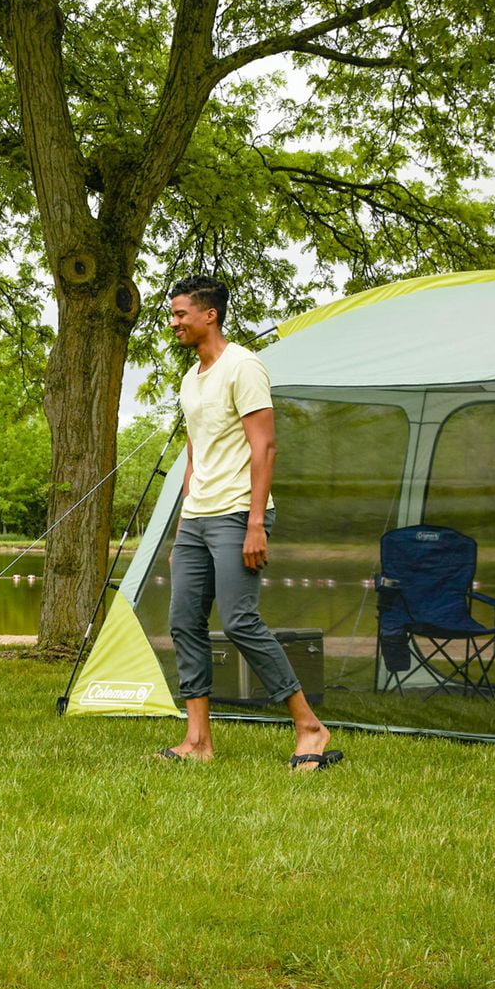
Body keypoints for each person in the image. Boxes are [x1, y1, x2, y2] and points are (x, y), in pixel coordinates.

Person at [161, 275, 339, 771]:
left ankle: (309, 726)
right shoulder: (191, 379)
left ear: (209, 315)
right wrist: (181, 529)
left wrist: (256, 522)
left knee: (239, 621)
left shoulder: (244, 366)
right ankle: (197, 740)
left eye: (180, 314)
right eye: (173, 315)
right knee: (183, 623)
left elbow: (265, 447)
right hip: (198, 516)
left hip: (238, 512)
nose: (173, 323)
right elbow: (194, 457)